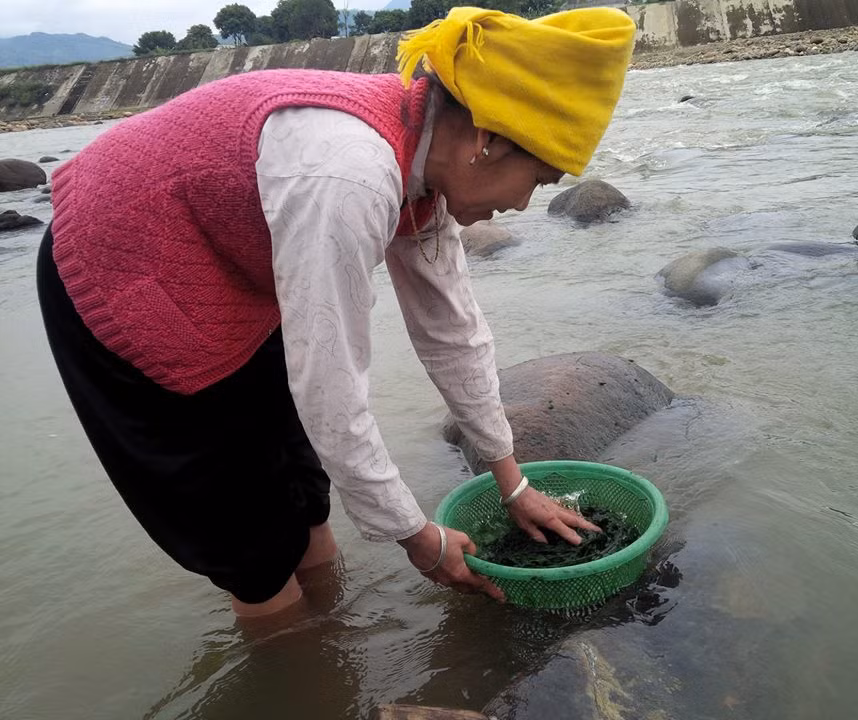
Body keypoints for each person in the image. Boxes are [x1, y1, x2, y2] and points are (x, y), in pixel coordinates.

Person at [36, 6, 636, 618]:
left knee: (302, 491)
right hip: (120, 268)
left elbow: (453, 334)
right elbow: (331, 386)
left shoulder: (423, 159)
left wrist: (515, 486)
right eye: (537, 179)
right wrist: (420, 540)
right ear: (486, 141)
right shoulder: (349, 173)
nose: (523, 205)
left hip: (233, 267)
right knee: (250, 541)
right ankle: (294, 662)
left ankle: (330, 629)